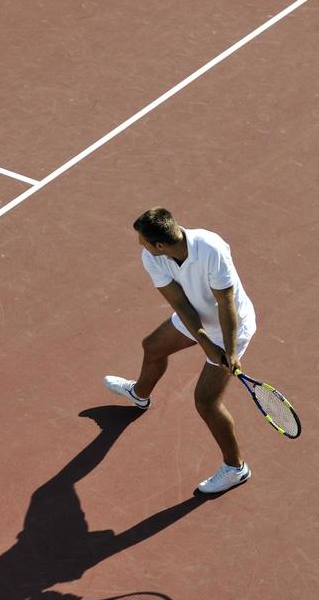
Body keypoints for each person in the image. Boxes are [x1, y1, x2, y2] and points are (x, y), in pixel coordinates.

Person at [104, 207, 257, 495]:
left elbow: (226, 303)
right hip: (196, 317)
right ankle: (140, 394)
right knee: (152, 347)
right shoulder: (153, 257)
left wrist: (228, 351)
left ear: (160, 244)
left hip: (230, 327)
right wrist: (205, 342)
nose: (140, 245)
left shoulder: (211, 248)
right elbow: (181, 305)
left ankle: (236, 468)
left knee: (206, 401)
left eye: (143, 240)